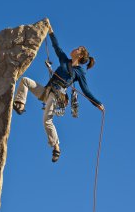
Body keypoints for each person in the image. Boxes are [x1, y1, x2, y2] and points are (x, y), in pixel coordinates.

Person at [13, 22, 104, 163]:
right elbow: (56, 46)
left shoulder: (80, 72)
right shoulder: (64, 60)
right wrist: (50, 31)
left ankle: (56, 147)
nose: (74, 49)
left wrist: (97, 103)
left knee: (46, 121)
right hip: (47, 90)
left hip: (57, 96)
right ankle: (20, 104)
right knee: (25, 81)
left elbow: (85, 90)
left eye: (77, 49)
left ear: (80, 55)